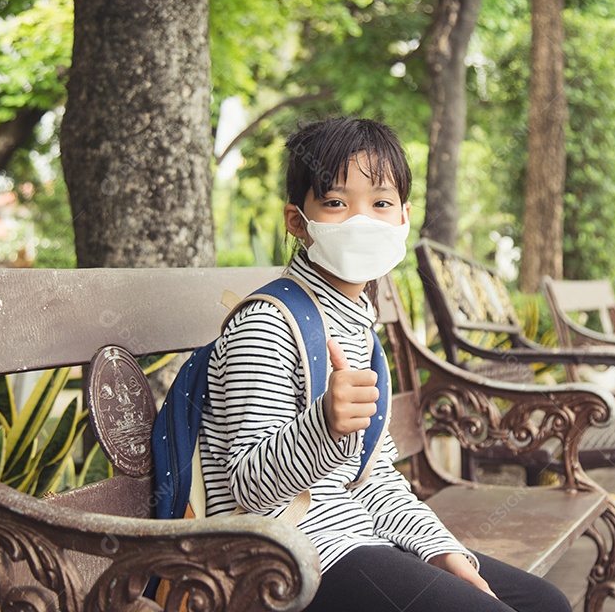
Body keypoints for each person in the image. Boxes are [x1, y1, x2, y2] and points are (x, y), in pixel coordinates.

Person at [198, 117, 571, 612]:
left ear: (403, 218)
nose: (361, 220)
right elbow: (247, 487)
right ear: (297, 222)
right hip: (287, 559)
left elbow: (373, 479)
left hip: (358, 537)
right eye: (335, 203)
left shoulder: (358, 326)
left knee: (546, 604)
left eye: (380, 203)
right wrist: (323, 428)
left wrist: (440, 549)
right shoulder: (267, 325)